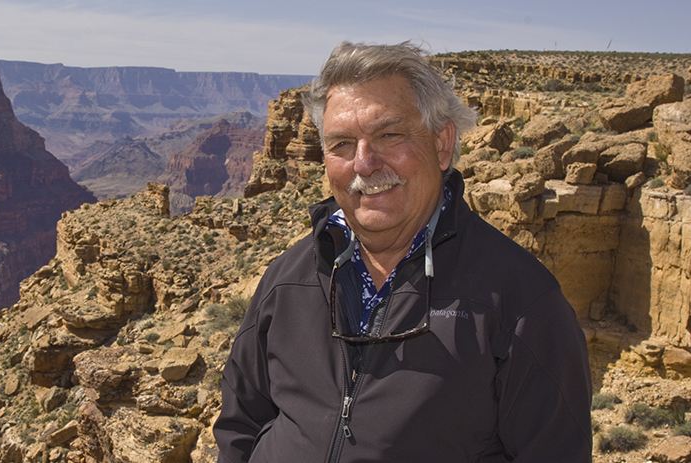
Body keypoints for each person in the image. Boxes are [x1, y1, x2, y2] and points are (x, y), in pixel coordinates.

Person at [214, 41, 592, 462]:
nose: (364, 163)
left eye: (389, 135)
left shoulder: (520, 303)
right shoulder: (289, 277)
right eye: (341, 144)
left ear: (443, 143)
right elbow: (240, 426)